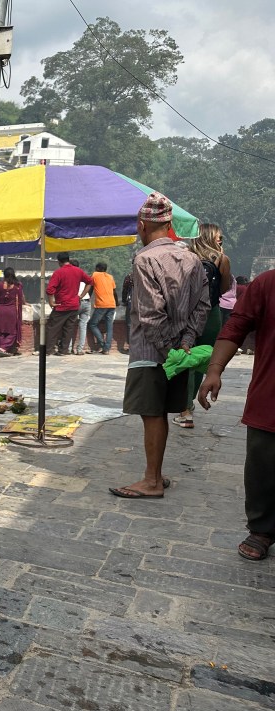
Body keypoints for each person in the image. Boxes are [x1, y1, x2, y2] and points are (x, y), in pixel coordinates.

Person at [109, 192, 208, 500]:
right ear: (169, 224)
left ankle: (151, 480)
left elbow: (151, 314)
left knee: (151, 415)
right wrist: (185, 344)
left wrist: (168, 352)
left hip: (152, 353)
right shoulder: (192, 259)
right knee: (160, 413)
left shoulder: (144, 259)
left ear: (142, 225)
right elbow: (202, 306)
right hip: (179, 352)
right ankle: (156, 474)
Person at [198, 269, 275, 560]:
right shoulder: (268, 283)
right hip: (270, 395)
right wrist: (214, 370)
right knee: (263, 464)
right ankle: (262, 528)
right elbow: (237, 326)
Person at [173, 223, 232, 429]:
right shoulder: (222, 259)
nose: (220, 239)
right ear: (209, 237)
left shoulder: (187, 256)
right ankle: (188, 404)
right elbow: (224, 289)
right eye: (218, 236)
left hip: (188, 315)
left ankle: (185, 409)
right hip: (211, 315)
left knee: (186, 359)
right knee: (200, 360)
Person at [44, 254, 92, 355]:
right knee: (68, 328)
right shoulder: (78, 271)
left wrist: (51, 302)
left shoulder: (59, 272)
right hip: (74, 305)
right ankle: (63, 350)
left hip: (61, 305)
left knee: (53, 327)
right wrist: (81, 296)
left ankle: (48, 350)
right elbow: (90, 282)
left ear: (59, 261)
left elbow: (50, 289)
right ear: (68, 260)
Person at [0, 267, 25, 356]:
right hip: (11, 311)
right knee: (12, 332)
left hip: (0, 310)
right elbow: (21, 297)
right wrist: (25, 303)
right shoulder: (17, 286)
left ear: (4, 275)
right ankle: (2, 348)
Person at [83, 262, 119, 354]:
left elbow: (90, 288)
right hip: (112, 304)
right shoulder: (110, 277)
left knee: (92, 324)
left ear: (98, 268)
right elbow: (114, 291)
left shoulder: (95, 275)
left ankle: (102, 344)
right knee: (109, 327)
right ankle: (107, 349)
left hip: (101, 305)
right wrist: (117, 302)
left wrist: (87, 298)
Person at [71, 258, 93, 354]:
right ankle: (80, 349)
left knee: (70, 325)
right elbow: (90, 284)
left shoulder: (71, 276)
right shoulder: (83, 275)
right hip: (86, 301)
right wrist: (82, 295)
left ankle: (68, 348)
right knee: (83, 326)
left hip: (76, 302)